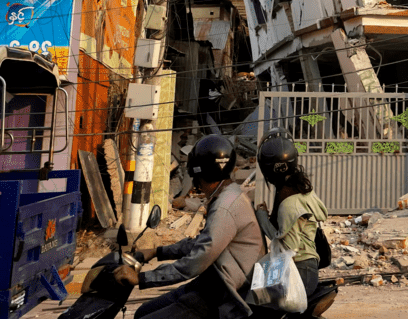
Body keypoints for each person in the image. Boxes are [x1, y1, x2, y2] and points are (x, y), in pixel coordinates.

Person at [113, 134, 263, 319]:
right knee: (143, 311)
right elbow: (203, 242)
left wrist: (143, 278)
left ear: (201, 175)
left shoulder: (225, 206)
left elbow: (198, 259)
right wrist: (157, 252)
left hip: (222, 295)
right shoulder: (229, 195)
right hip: (210, 283)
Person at [256, 128, 328, 297]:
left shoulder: (288, 204)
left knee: (256, 299)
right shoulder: (302, 190)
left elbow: (287, 245)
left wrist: (261, 217)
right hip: (308, 268)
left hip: (298, 270)